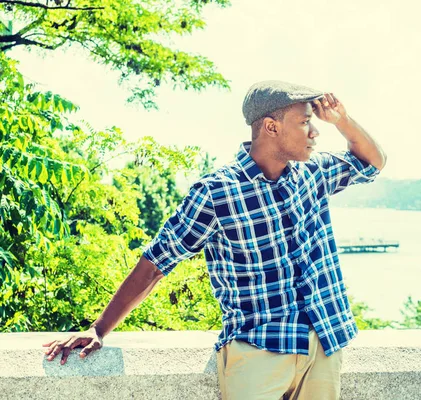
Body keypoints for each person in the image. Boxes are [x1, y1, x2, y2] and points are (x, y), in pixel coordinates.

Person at [42, 80, 387, 399]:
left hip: (324, 345)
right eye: (305, 122)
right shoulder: (216, 192)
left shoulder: (314, 173)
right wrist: (99, 329)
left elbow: (374, 161)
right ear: (271, 127)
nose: (315, 132)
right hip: (257, 351)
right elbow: (156, 263)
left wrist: (343, 120)